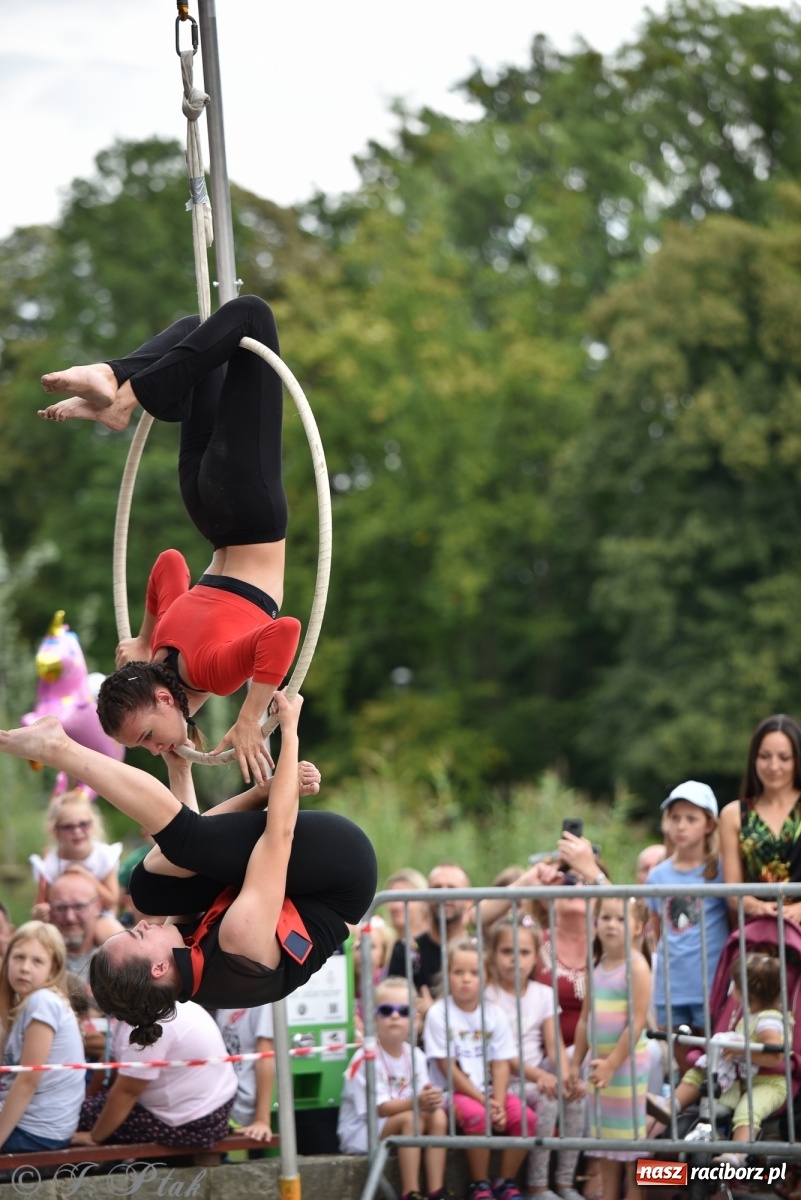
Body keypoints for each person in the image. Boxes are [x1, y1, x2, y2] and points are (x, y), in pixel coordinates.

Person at [0, 695, 377, 1048]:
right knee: (172, 853)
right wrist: (290, 735)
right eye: (138, 936)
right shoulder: (237, 946)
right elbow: (278, 837)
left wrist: (181, 772)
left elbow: (191, 864)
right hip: (341, 868)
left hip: (299, 887)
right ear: (160, 967)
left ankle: (218, 782)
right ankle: (58, 748)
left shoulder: (186, 969)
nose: (144, 924)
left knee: (151, 887)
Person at [40, 295, 302, 787]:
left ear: (163, 698)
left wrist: (251, 715)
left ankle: (123, 396)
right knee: (200, 331)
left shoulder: (211, 672)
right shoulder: (163, 649)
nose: (157, 750)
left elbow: (284, 631)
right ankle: (114, 376)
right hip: (207, 509)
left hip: (247, 507)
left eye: (146, 738)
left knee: (251, 318)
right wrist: (143, 637)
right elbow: (170, 564)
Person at [650, 952, 791, 1166]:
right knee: (699, 1072)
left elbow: (775, 1056)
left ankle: (738, 1154)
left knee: (748, 1109)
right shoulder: (752, 1014)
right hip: (742, 1078)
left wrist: (740, 1050)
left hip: (768, 1083)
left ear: (744, 993)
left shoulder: (769, 1020)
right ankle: (672, 1105)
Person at [424, 938, 535, 1200]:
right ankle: (479, 1184)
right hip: (454, 1092)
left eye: (474, 973)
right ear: (447, 975)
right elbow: (447, 1068)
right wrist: (484, 1102)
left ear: (486, 977)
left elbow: (501, 1063)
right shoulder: (439, 1013)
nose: (466, 979)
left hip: (488, 1092)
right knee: (478, 1115)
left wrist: (496, 1101)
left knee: (526, 1118)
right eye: (458, 972)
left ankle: (505, 1182)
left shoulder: (494, 1013)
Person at [484, 916, 585, 1200]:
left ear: (536, 957)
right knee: (548, 1096)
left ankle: (566, 1181)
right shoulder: (487, 997)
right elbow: (501, 1055)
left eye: (524, 952)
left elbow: (554, 1046)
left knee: (574, 1096)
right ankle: (537, 1185)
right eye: (507, 951)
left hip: (537, 1073)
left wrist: (567, 1079)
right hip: (503, 1081)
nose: (515, 959)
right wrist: (542, 1077)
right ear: (494, 954)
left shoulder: (544, 994)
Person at [339, 976, 452, 1200]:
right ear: (374, 1016)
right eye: (386, 1010)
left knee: (438, 1116)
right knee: (411, 1119)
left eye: (403, 1011)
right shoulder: (365, 1058)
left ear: (414, 1018)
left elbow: (421, 1099)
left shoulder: (416, 1056)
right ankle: (410, 1192)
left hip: (399, 1123)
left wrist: (431, 1100)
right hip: (362, 1131)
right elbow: (379, 1109)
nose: (394, 1016)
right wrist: (420, 1102)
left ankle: (435, 1191)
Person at [568, 898, 651, 1200]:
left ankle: (634, 1192)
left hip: (625, 1067)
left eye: (620, 919)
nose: (611, 924)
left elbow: (637, 1023)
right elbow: (583, 1020)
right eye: (605, 917)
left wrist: (612, 1064)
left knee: (629, 1139)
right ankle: (608, 1192)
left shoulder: (637, 966)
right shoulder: (597, 967)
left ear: (638, 928)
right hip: (599, 1068)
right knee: (605, 1137)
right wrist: (575, 1063)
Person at [646, 781, 731, 1073]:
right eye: (675, 818)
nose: (681, 826)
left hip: (710, 984)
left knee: (714, 1056)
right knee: (684, 1060)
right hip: (672, 984)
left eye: (691, 818)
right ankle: (691, 1113)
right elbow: (656, 932)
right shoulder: (658, 875)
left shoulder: (720, 871)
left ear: (709, 825)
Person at [73, 1000, 237, 1148]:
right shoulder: (175, 1005)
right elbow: (111, 1064)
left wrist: (94, 1136)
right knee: (81, 1112)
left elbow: (128, 1091)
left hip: (190, 1121)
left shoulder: (148, 1023)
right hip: (213, 1109)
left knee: (68, 1122)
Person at [0, 921, 85, 1152]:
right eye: (18, 957)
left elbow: (28, 1080)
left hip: (36, 1133)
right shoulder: (21, 1003)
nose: (25, 967)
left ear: (53, 968)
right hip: (30, 1124)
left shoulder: (43, 1001)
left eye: (37, 961)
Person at [720, 714, 801, 924]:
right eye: (765, 756)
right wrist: (757, 907)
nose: (773, 766)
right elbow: (732, 890)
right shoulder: (733, 815)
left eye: (784, 758)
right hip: (757, 938)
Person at [387, 863, 472, 1021]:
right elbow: (395, 1011)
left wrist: (433, 1013)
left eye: (452, 888)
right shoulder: (405, 951)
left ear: (469, 901)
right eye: (436, 888)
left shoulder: (479, 949)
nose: (443, 894)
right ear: (425, 899)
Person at [30, 787, 122, 917]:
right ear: (55, 831)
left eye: (83, 824)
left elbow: (111, 901)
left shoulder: (103, 856)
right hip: (64, 919)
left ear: (93, 824)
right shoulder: (49, 864)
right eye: (68, 827)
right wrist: (41, 912)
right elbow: (44, 903)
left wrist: (87, 876)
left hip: (99, 917)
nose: (77, 831)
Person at [42, 869, 124, 978]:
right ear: (49, 909)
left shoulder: (113, 960)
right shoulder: (35, 958)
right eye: (60, 908)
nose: (69, 917)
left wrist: (119, 942)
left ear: (98, 906)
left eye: (79, 907)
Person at [215, 1003, 276, 1144]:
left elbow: (265, 1058)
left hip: (244, 1107)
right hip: (226, 1100)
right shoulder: (223, 1000)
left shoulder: (263, 1002)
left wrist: (262, 1120)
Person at [384, 868, 430, 945]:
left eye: (405, 898)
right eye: (392, 898)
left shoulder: (433, 941)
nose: (397, 905)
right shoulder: (387, 943)